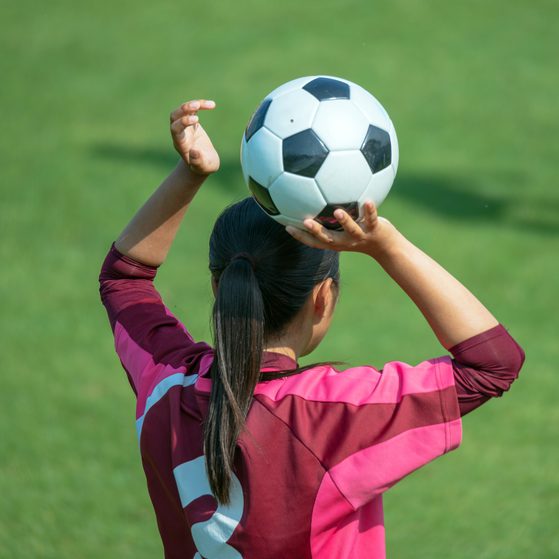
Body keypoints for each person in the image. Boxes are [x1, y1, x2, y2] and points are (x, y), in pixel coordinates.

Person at [99, 99, 525, 559]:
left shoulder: (167, 386)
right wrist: (386, 245)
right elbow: (492, 364)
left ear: (218, 286)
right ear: (323, 298)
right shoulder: (330, 417)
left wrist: (190, 173)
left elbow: (124, 279)